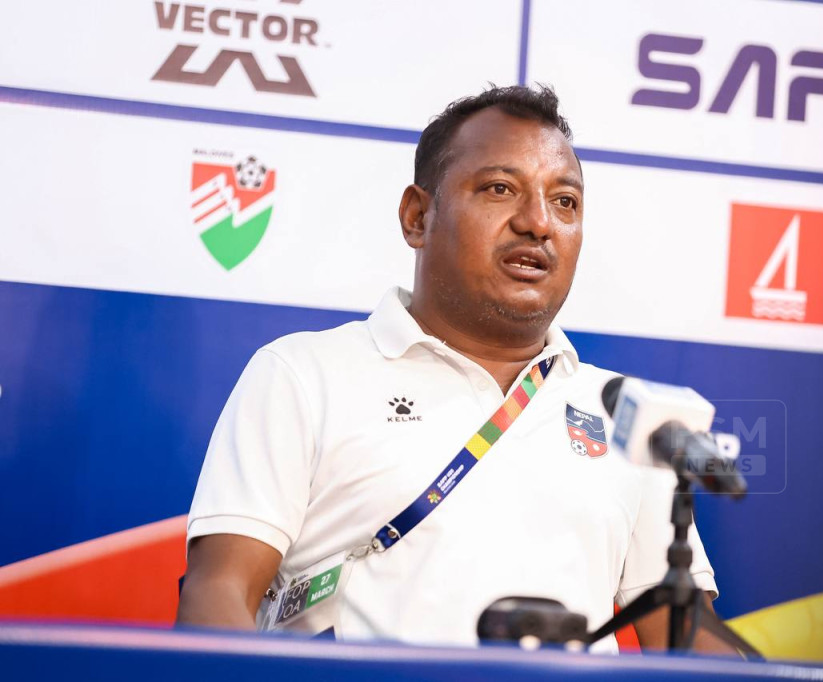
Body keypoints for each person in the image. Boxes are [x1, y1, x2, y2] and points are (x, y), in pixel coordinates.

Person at [176, 85, 726, 654]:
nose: (539, 223)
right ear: (418, 217)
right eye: (500, 189)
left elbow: (691, 640)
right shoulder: (302, 374)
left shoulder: (628, 415)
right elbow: (217, 594)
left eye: (565, 201)